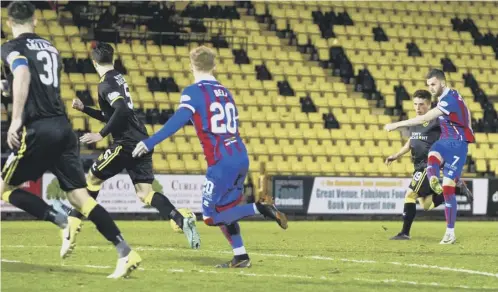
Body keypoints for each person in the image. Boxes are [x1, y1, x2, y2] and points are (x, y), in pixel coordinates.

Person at [0, 1, 141, 278]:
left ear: (8, 23)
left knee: (4, 189)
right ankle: (125, 251)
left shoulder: (10, 48)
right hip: (64, 128)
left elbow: (23, 73)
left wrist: (15, 119)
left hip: (38, 128)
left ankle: (60, 220)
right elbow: (39, 83)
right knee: (81, 198)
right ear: (36, 20)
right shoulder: (51, 48)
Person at [133, 46, 288, 268]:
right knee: (226, 211)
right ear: (214, 66)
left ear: (191, 66)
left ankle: (260, 208)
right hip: (240, 155)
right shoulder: (226, 92)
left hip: (221, 161)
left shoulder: (193, 92)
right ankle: (241, 256)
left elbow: (177, 121)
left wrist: (149, 142)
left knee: (210, 217)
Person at [65, 42, 201, 256]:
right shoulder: (117, 77)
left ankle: (73, 222)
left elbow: (120, 111)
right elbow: (115, 113)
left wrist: (100, 135)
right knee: (145, 193)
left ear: (93, 62)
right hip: (141, 140)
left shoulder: (106, 83)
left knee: (91, 178)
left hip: (126, 144)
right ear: (113, 59)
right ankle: (180, 218)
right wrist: (85, 109)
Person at [385, 69, 475, 244]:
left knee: (409, 195)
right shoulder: (425, 118)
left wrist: (395, 125)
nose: (418, 107)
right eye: (415, 104)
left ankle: (405, 232)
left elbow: (451, 125)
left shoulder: (436, 116)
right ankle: (453, 186)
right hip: (418, 163)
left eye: (421, 104)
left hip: (427, 163)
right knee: (426, 204)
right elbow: (412, 140)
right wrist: (397, 154)